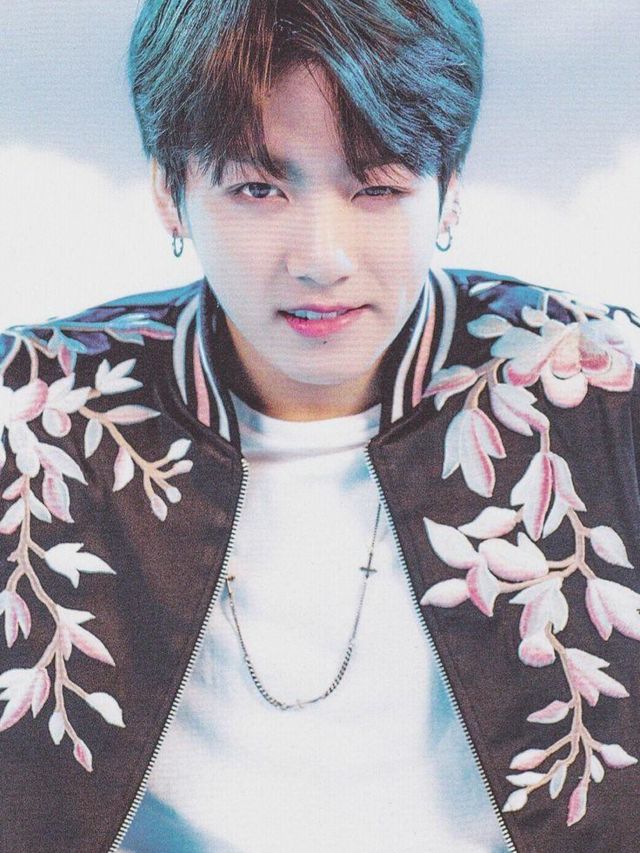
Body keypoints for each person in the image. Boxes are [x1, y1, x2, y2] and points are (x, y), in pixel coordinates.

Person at [1, 2, 639, 852]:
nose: (320, 258)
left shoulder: (601, 395)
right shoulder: (31, 412)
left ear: (449, 188)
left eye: (377, 188)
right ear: (169, 191)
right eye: (258, 189)